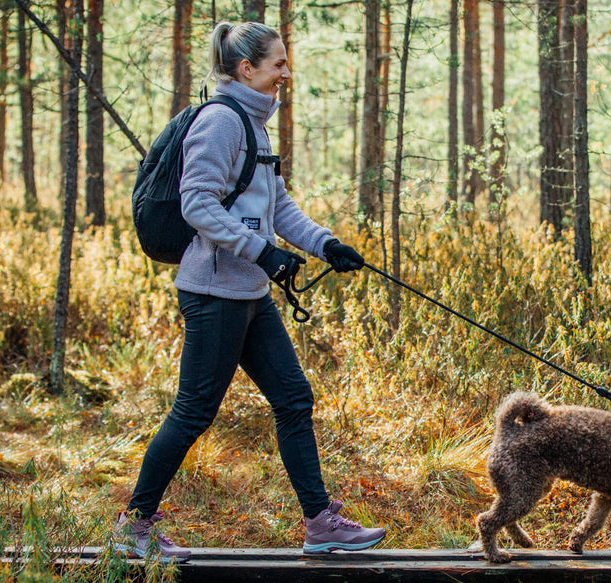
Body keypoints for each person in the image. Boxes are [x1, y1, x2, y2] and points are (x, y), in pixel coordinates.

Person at [113, 21, 385, 562]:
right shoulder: (221, 121)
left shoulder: (255, 126)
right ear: (247, 69)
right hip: (214, 293)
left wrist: (326, 244)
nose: (286, 73)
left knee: (293, 398)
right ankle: (132, 529)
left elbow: (277, 207)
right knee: (193, 412)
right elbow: (198, 204)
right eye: (278, 64)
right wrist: (262, 252)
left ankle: (320, 524)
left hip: (247, 293)